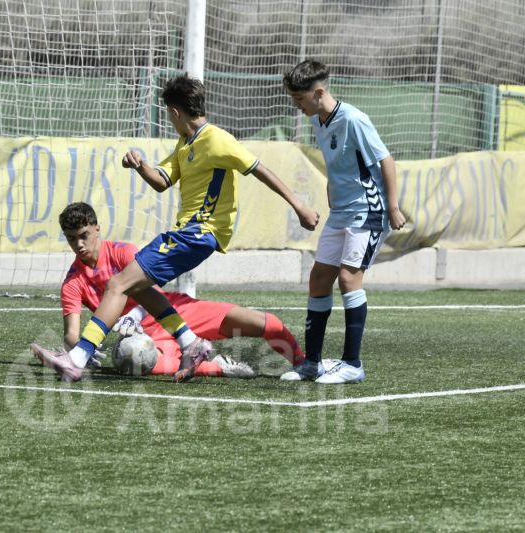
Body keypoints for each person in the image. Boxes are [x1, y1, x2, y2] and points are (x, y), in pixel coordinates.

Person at [31, 74, 319, 383]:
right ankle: (190, 343)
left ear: (175, 112)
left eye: (168, 114)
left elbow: (260, 170)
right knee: (138, 288)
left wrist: (299, 205)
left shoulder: (217, 139)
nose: (169, 120)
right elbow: (161, 181)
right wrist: (141, 165)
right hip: (187, 232)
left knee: (118, 285)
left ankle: (77, 359)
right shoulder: (185, 144)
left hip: (201, 232)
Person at [33, 202, 309, 379]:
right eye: (71, 239)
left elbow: (150, 288)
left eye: (84, 236)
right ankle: (218, 366)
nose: (79, 245)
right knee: (132, 358)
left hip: (178, 311)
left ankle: (303, 363)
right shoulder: (72, 282)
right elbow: (71, 332)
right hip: (148, 337)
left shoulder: (121, 253)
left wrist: (137, 315)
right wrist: (78, 350)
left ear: (96, 229)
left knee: (265, 323)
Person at [279, 60, 406, 384]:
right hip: (341, 213)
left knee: (349, 278)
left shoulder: (353, 119)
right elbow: (338, 168)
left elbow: (385, 160)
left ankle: (352, 364)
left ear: (318, 93)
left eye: (299, 99)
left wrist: (392, 206)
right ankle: (312, 364)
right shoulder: (319, 121)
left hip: (368, 210)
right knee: (319, 279)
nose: (296, 105)